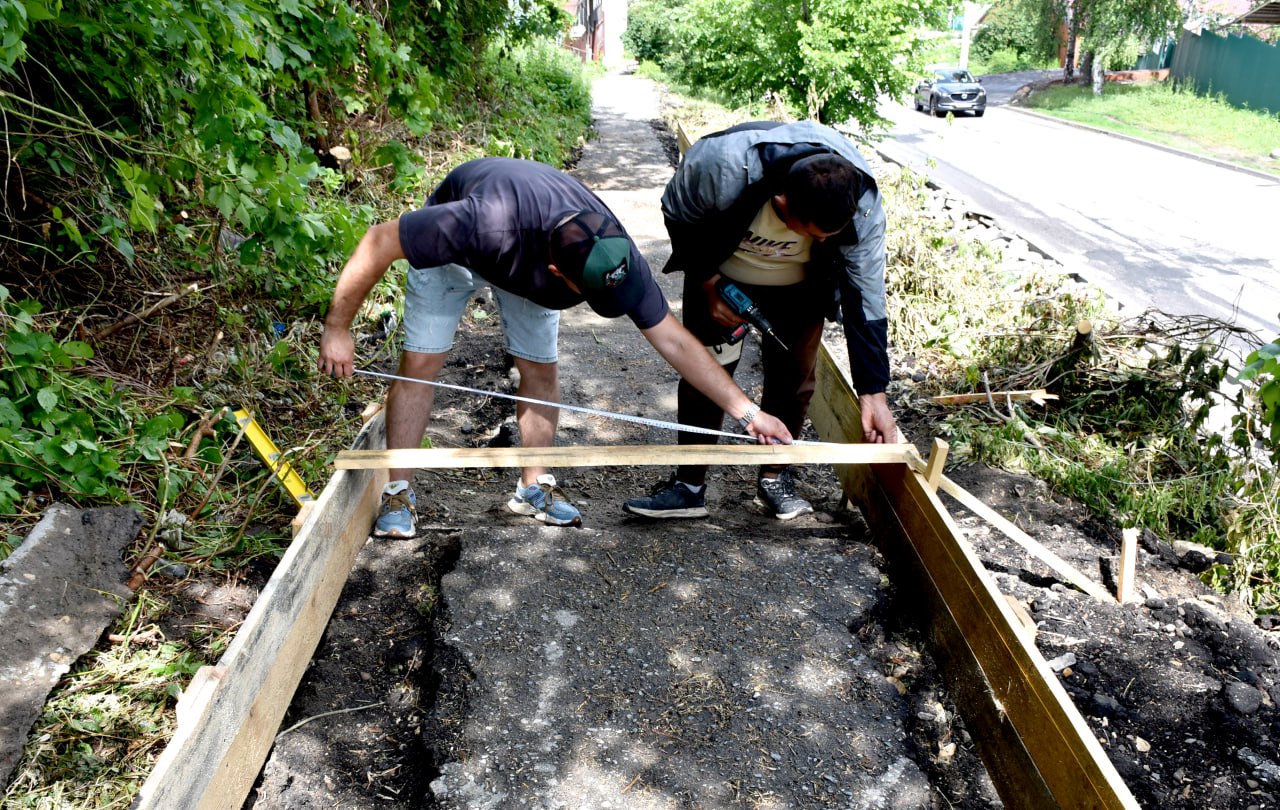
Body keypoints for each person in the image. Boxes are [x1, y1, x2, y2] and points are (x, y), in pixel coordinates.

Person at [319, 156, 792, 537]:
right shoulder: (476, 223)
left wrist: (749, 413)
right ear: (556, 274)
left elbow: (675, 341)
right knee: (421, 365)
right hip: (459, 257)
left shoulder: (611, 248)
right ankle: (399, 492)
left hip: (527, 258)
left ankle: (534, 486)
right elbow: (379, 240)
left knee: (540, 369)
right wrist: (338, 328)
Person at [623, 121, 899, 522]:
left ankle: (774, 478)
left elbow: (866, 296)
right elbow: (678, 213)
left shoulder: (863, 205)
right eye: (814, 233)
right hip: (724, 277)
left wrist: (873, 393)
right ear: (782, 205)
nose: (824, 241)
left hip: (802, 288)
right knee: (706, 371)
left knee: (795, 380)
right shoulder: (720, 167)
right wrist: (707, 282)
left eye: (831, 234)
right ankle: (689, 486)